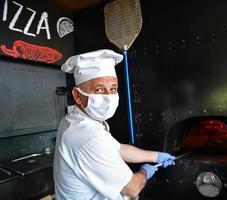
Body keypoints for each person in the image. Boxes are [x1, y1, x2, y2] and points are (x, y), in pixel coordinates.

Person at [53, 49, 175, 200]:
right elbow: (132, 189)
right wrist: (145, 172)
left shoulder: (75, 120)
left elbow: (118, 149)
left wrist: (155, 156)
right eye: (99, 89)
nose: (108, 97)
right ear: (77, 96)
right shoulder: (89, 137)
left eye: (113, 89)